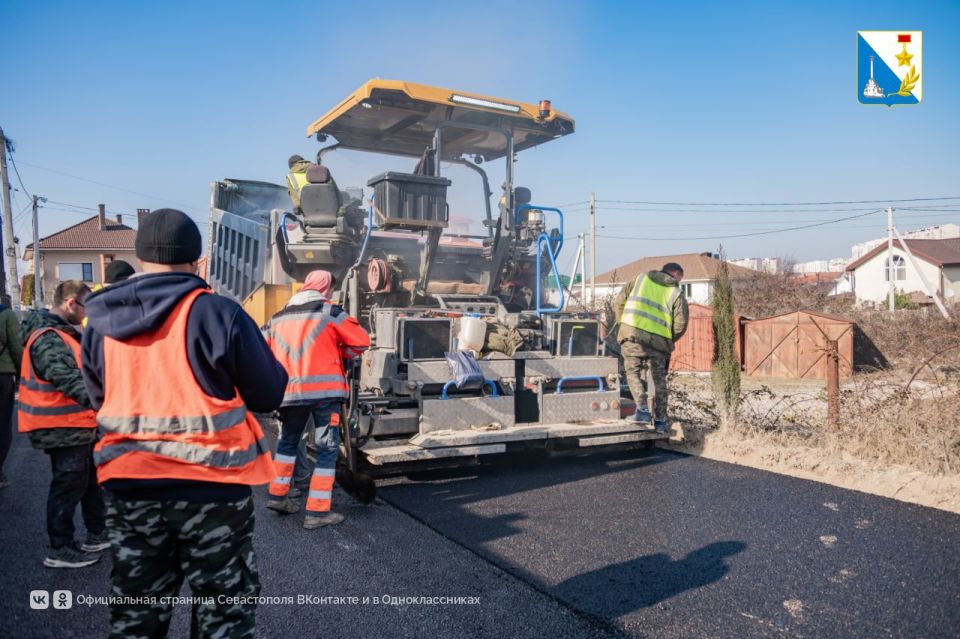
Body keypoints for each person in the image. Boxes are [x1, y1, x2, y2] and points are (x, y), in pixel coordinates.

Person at [81, 209, 288, 638]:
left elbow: (102, 401)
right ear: (196, 258)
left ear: (139, 258)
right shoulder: (216, 314)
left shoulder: (99, 325)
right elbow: (269, 394)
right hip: (211, 493)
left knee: (136, 616)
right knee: (223, 616)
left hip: (129, 489)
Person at [264, 269, 370, 529]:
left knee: (287, 444)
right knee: (326, 450)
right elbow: (361, 342)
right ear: (324, 289)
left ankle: (279, 496)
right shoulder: (330, 312)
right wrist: (341, 350)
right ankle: (318, 512)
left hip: (289, 394)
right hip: (324, 395)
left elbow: (262, 349)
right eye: (330, 288)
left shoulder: (277, 318)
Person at [18, 280, 108, 568]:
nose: (87, 314)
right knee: (69, 483)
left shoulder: (65, 334)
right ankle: (60, 548)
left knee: (89, 479)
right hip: (61, 425)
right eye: (86, 307)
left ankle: (98, 532)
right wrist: (109, 403)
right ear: (71, 303)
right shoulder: (47, 336)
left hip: (77, 423)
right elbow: (67, 380)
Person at [614, 262, 689, 433]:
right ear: (675, 273)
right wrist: (667, 339)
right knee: (659, 380)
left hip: (632, 337)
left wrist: (623, 325)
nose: (679, 282)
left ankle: (642, 410)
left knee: (632, 372)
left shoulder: (640, 279)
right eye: (680, 278)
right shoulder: (676, 293)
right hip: (659, 344)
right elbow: (681, 324)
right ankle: (661, 422)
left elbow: (619, 302)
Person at [0, 300, 23, 489]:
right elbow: (17, 347)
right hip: (2, 375)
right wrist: (23, 373)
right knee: (2, 424)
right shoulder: (6, 314)